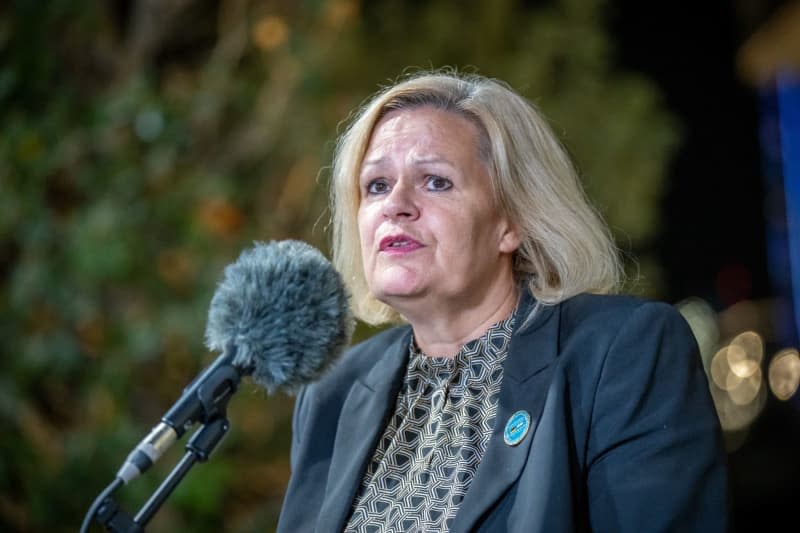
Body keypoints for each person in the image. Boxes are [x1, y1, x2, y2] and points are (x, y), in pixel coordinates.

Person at [277, 70, 729, 532]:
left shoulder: (623, 352)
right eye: (376, 185)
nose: (396, 203)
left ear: (511, 221)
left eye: (435, 181)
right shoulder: (331, 394)